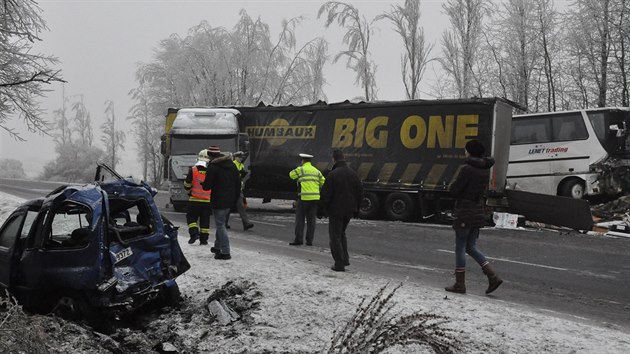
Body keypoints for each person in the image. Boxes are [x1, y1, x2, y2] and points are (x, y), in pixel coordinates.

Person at [445, 139, 503, 294]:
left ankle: (460, 284)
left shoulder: (467, 169)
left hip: (465, 211)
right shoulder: (485, 168)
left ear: (470, 152)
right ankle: (493, 276)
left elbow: (455, 189)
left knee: (460, 248)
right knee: (471, 247)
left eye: (466, 150)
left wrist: (451, 187)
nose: (464, 152)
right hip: (477, 211)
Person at [320, 149, 363, 272]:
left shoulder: (333, 174)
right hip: (349, 210)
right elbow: (360, 192)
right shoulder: (353, 174)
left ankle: (339, 263)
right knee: (342, 234)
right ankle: (344, 259)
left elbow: (326, 194)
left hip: (336, 210)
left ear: (333, 159)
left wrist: (322, 209)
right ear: (343, 158)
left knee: (335, 236)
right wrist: (357, 209)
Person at [202, 145, 241, 260]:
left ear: (210, 155)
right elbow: (238, 183)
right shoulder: (232, 165)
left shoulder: (213, 167)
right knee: (222, 224)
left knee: (220, 226)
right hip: (230, 200)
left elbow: (207, 186)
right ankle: (217, 247)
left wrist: (202, 184)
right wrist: (235, 199)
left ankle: (225, 251)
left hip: (218, 200)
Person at [288, 153, 325, 246]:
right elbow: (323, 182)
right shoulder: (316, 171)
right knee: (311, 221)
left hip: (304, 198)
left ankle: (298, 239)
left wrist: (297, 168)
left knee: (300, 220)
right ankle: (309, 241)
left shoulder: (301, 169)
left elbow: (291, 175)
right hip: (315, 199)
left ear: (302, 161)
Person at [183, 149, 212, 245]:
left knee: (191, 218)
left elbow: (187, 184)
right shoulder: (211, 170)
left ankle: (194, 233)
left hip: (194, 200)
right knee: (205, 221)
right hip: (207, 202)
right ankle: (204, 240)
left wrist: (189, 191)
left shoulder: (193, 169)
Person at [226, 151, 254, 231]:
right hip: (232, 189)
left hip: (238, 189)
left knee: (241, 206)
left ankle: (246, 224)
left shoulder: (241, 165)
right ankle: (224, 223)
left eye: (242, 157)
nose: (241, 159)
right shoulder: (233, 164)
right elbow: (232, 176)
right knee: (228, 207)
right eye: (239, 157)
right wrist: (240, 174)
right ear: (235, 157)